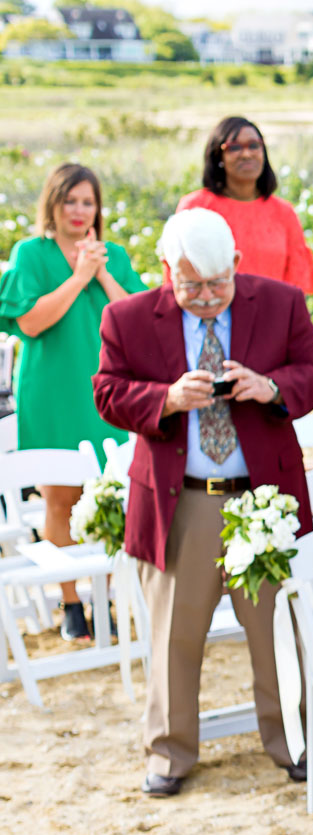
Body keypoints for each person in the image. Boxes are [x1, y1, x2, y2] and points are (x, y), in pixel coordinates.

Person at [92, 208, 313, 797]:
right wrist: (166, 398)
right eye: (190, 284)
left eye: (217, 284)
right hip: (181, 502)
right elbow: (107, 393)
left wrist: (271, 388)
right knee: (174, 634)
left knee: (276, 627)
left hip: (261, 499)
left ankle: (292, 740)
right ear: (165, 269)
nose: (204, 297)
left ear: (237, 267)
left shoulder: (280, 303)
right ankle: (169, 753)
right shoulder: (126, 317)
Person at [0, 163, 146, 641]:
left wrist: (101, 273)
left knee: (104, 494)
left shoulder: (114, 254)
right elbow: (32, 323)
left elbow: (137, 319)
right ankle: (70, 602)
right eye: (70, 201)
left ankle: (103, 594)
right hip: (51, 391)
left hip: (106, 389)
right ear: (53, 204)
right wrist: (78, 276)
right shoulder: (31, 254)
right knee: (60, 497)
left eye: (88, 202)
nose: (80, 211)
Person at [176, 116, 313, 297]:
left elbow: (297, 286)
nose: (246, 154)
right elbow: (178, 278)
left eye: (253, 145)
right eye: (234, 147)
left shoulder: (284, 212)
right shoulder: (195, 207)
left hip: (271, 317)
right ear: (218, 156)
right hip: (210, 316)